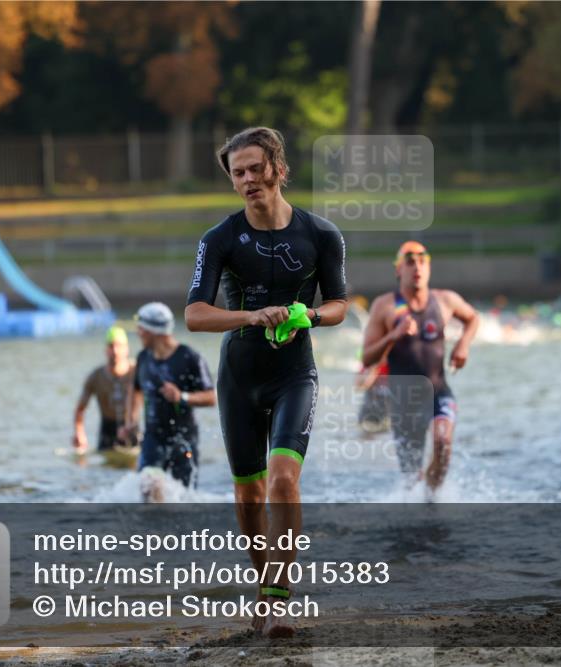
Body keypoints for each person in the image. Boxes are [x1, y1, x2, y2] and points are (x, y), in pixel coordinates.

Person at [184, 127, 348, 637]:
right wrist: (252, 317)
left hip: (294, 373)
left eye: (257, 168)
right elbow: (194, 315)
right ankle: (264, 593)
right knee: (250, 496)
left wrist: (311, 317)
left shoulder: (322, 235)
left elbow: (341, 304)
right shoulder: (220, 239)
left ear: (277, 167)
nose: (249, 180)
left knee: (283, 481)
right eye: (239, 173)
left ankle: (277, 602)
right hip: (239, 376)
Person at [361, 241, 480, 492]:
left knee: (443, 441)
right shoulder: (385, 306)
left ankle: (434, 498)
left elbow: (472, 318)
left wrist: (463, 345)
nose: (417, 267)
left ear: (429, 268)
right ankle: (422, 506)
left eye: (422, 261)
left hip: (439, 391)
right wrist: (392, 336)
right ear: (398, 270)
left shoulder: (445, 300)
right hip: (405, 400)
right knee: (411, 479)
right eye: (410, 262)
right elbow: (367, 358)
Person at [120, 302, 215, 489]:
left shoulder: (190, 358)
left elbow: (211, 397)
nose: (138, 332)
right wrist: (131, 421)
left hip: (184, 441)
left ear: (154, 330)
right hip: (153, 439)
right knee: (148, 485)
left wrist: (182, 397)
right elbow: (136, 390)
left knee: (183, 500)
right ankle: (153, 519)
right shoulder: (143, 358)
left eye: (141, 328)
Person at [72, 326, 135, 454]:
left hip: (132, 429)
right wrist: (80, 434)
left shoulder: (137, 371)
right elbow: (80, 409)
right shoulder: (95, 377)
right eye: (111, 346)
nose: (115, 351)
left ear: (127, 349)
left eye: (119, 346)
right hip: (107, 431)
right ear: (106, 349)